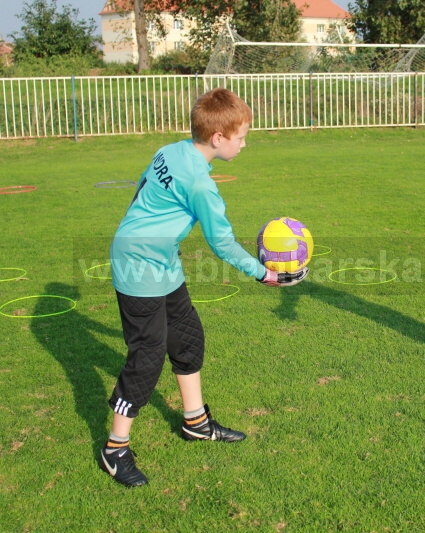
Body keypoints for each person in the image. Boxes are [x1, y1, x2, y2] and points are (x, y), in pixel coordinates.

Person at [99, 88, 308, 487]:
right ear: (217, 137)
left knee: (187, 338)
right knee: (146, 358)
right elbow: (222, 243)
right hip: (138, 266)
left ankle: (195, 422)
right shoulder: (200, 185)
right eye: (241, 137)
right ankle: (115, 448)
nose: (244, 144)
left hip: (161, 260)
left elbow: (144, 194)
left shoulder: (173, 149)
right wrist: (264, 274)